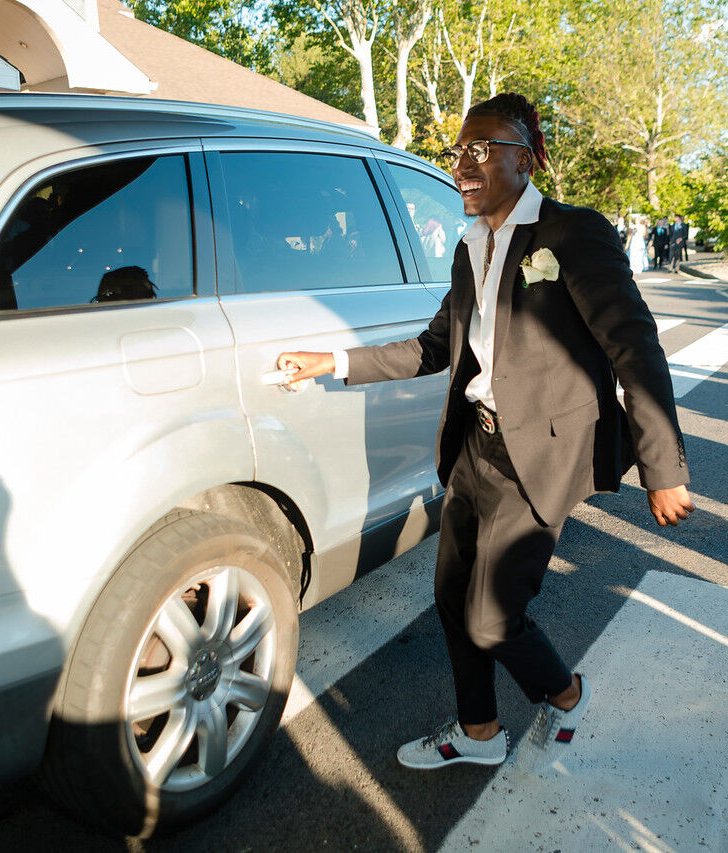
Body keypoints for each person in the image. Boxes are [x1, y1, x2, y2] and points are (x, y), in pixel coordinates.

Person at [276, 93, 692, 773]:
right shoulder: (469, 244)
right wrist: (335, 362)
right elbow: (433, 347)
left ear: (526, 159)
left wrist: (662, 465)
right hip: (475, 446)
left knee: (493, 617)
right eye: (459, 151)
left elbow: (633, 345)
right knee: (450, 598)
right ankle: (477, 731)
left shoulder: (572, 233)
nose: (464, 164)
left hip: (541, 454)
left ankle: (567, 695)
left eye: (483, 148)